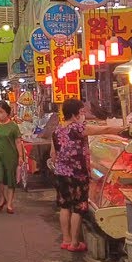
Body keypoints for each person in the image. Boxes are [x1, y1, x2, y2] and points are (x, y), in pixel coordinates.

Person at [53, 98, 122, 251]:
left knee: (64, 206)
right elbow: (104, 130)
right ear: (74, 114)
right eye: (82, 112)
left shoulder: (57, 129)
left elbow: (53, 154)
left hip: (61, 173)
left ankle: (66, 240)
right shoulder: (78, 128)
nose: (83, 115)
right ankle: (75, 243)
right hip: (78, 174)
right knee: (78, 207)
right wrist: (124, 128)